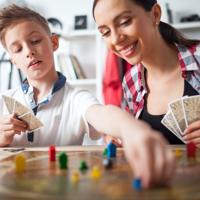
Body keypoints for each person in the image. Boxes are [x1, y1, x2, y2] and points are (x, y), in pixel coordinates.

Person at [0, 4, 174, 188]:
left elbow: (102, 113)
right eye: (18, 49)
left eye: (35, 40)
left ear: (54, 43)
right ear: (13, 60)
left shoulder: (76, 98)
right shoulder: (4, 100)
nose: (29, 52)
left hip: (62, 189)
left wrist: (132, 129)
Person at [93, 0, 200, 147]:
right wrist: (120, 140)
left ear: (155, 14)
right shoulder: (130, 81)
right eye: (105, 32)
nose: (116, 39)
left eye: (124, 22)